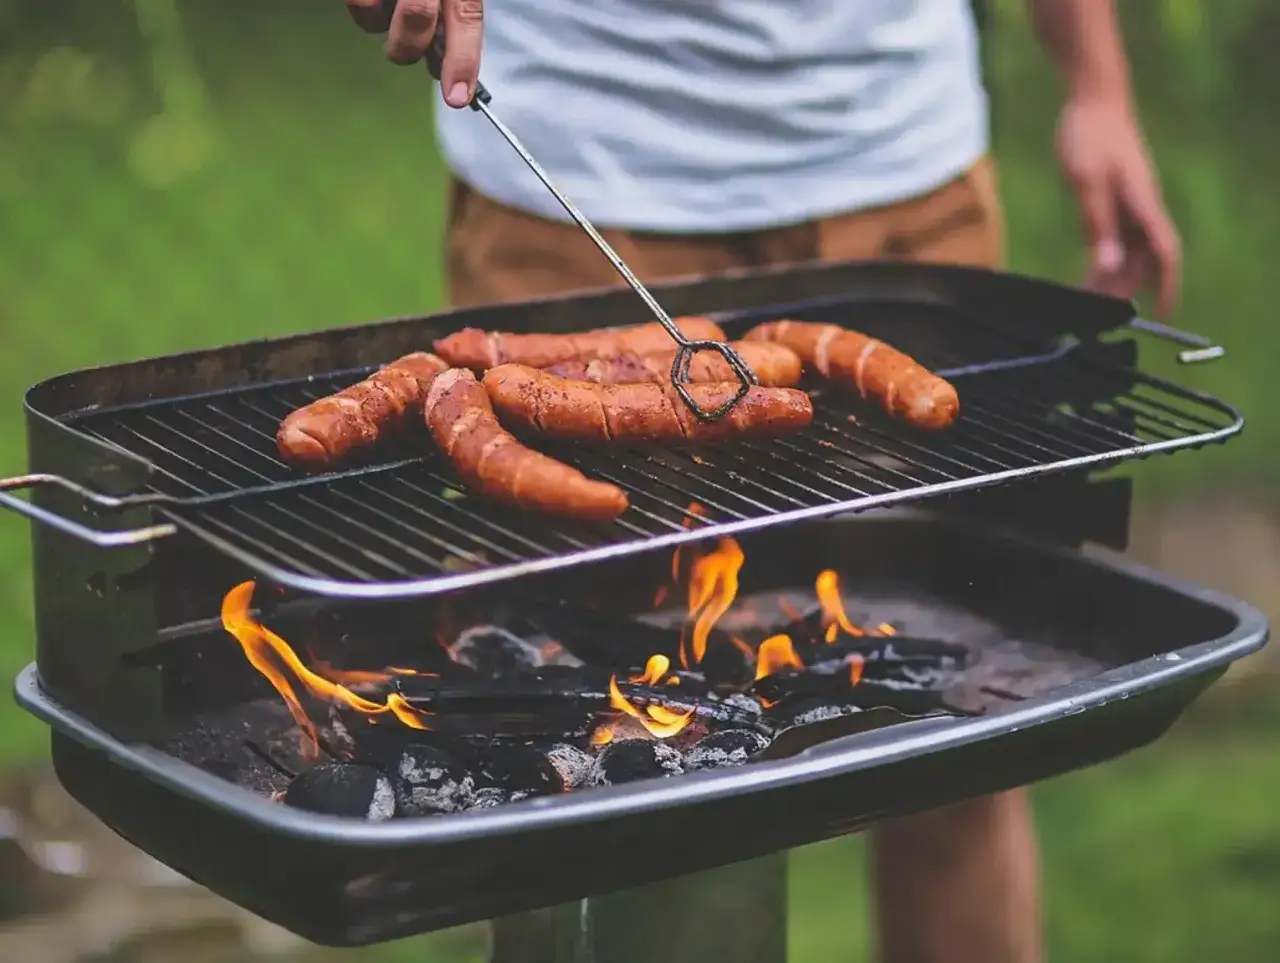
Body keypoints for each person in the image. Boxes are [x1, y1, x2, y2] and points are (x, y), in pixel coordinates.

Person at [343, 3, 1181, 962]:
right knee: (589, 756)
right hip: (579, 168)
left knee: (962, 734)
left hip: (903, 170)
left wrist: (1099, 87)